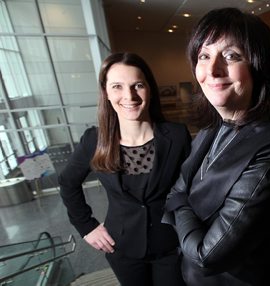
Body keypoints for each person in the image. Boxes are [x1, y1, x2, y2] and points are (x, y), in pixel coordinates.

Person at [162, 8, 270, 285]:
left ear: (258, 67)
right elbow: (179, 185)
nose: (212, 70)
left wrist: (178, 203)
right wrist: (179, 197)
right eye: (204, 56)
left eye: (231, 56)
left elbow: (207, 255)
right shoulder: (213, 126)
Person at [59, 52, 191, 286]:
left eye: (137, 85)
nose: (129, 96)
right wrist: (86, 226)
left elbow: (194, 189)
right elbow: (68, 182)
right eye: (117, 86)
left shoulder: (177, 136)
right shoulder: (95, 140)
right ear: (106, 93)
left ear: (149, 88)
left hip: (172, 245)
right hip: (121, 247)